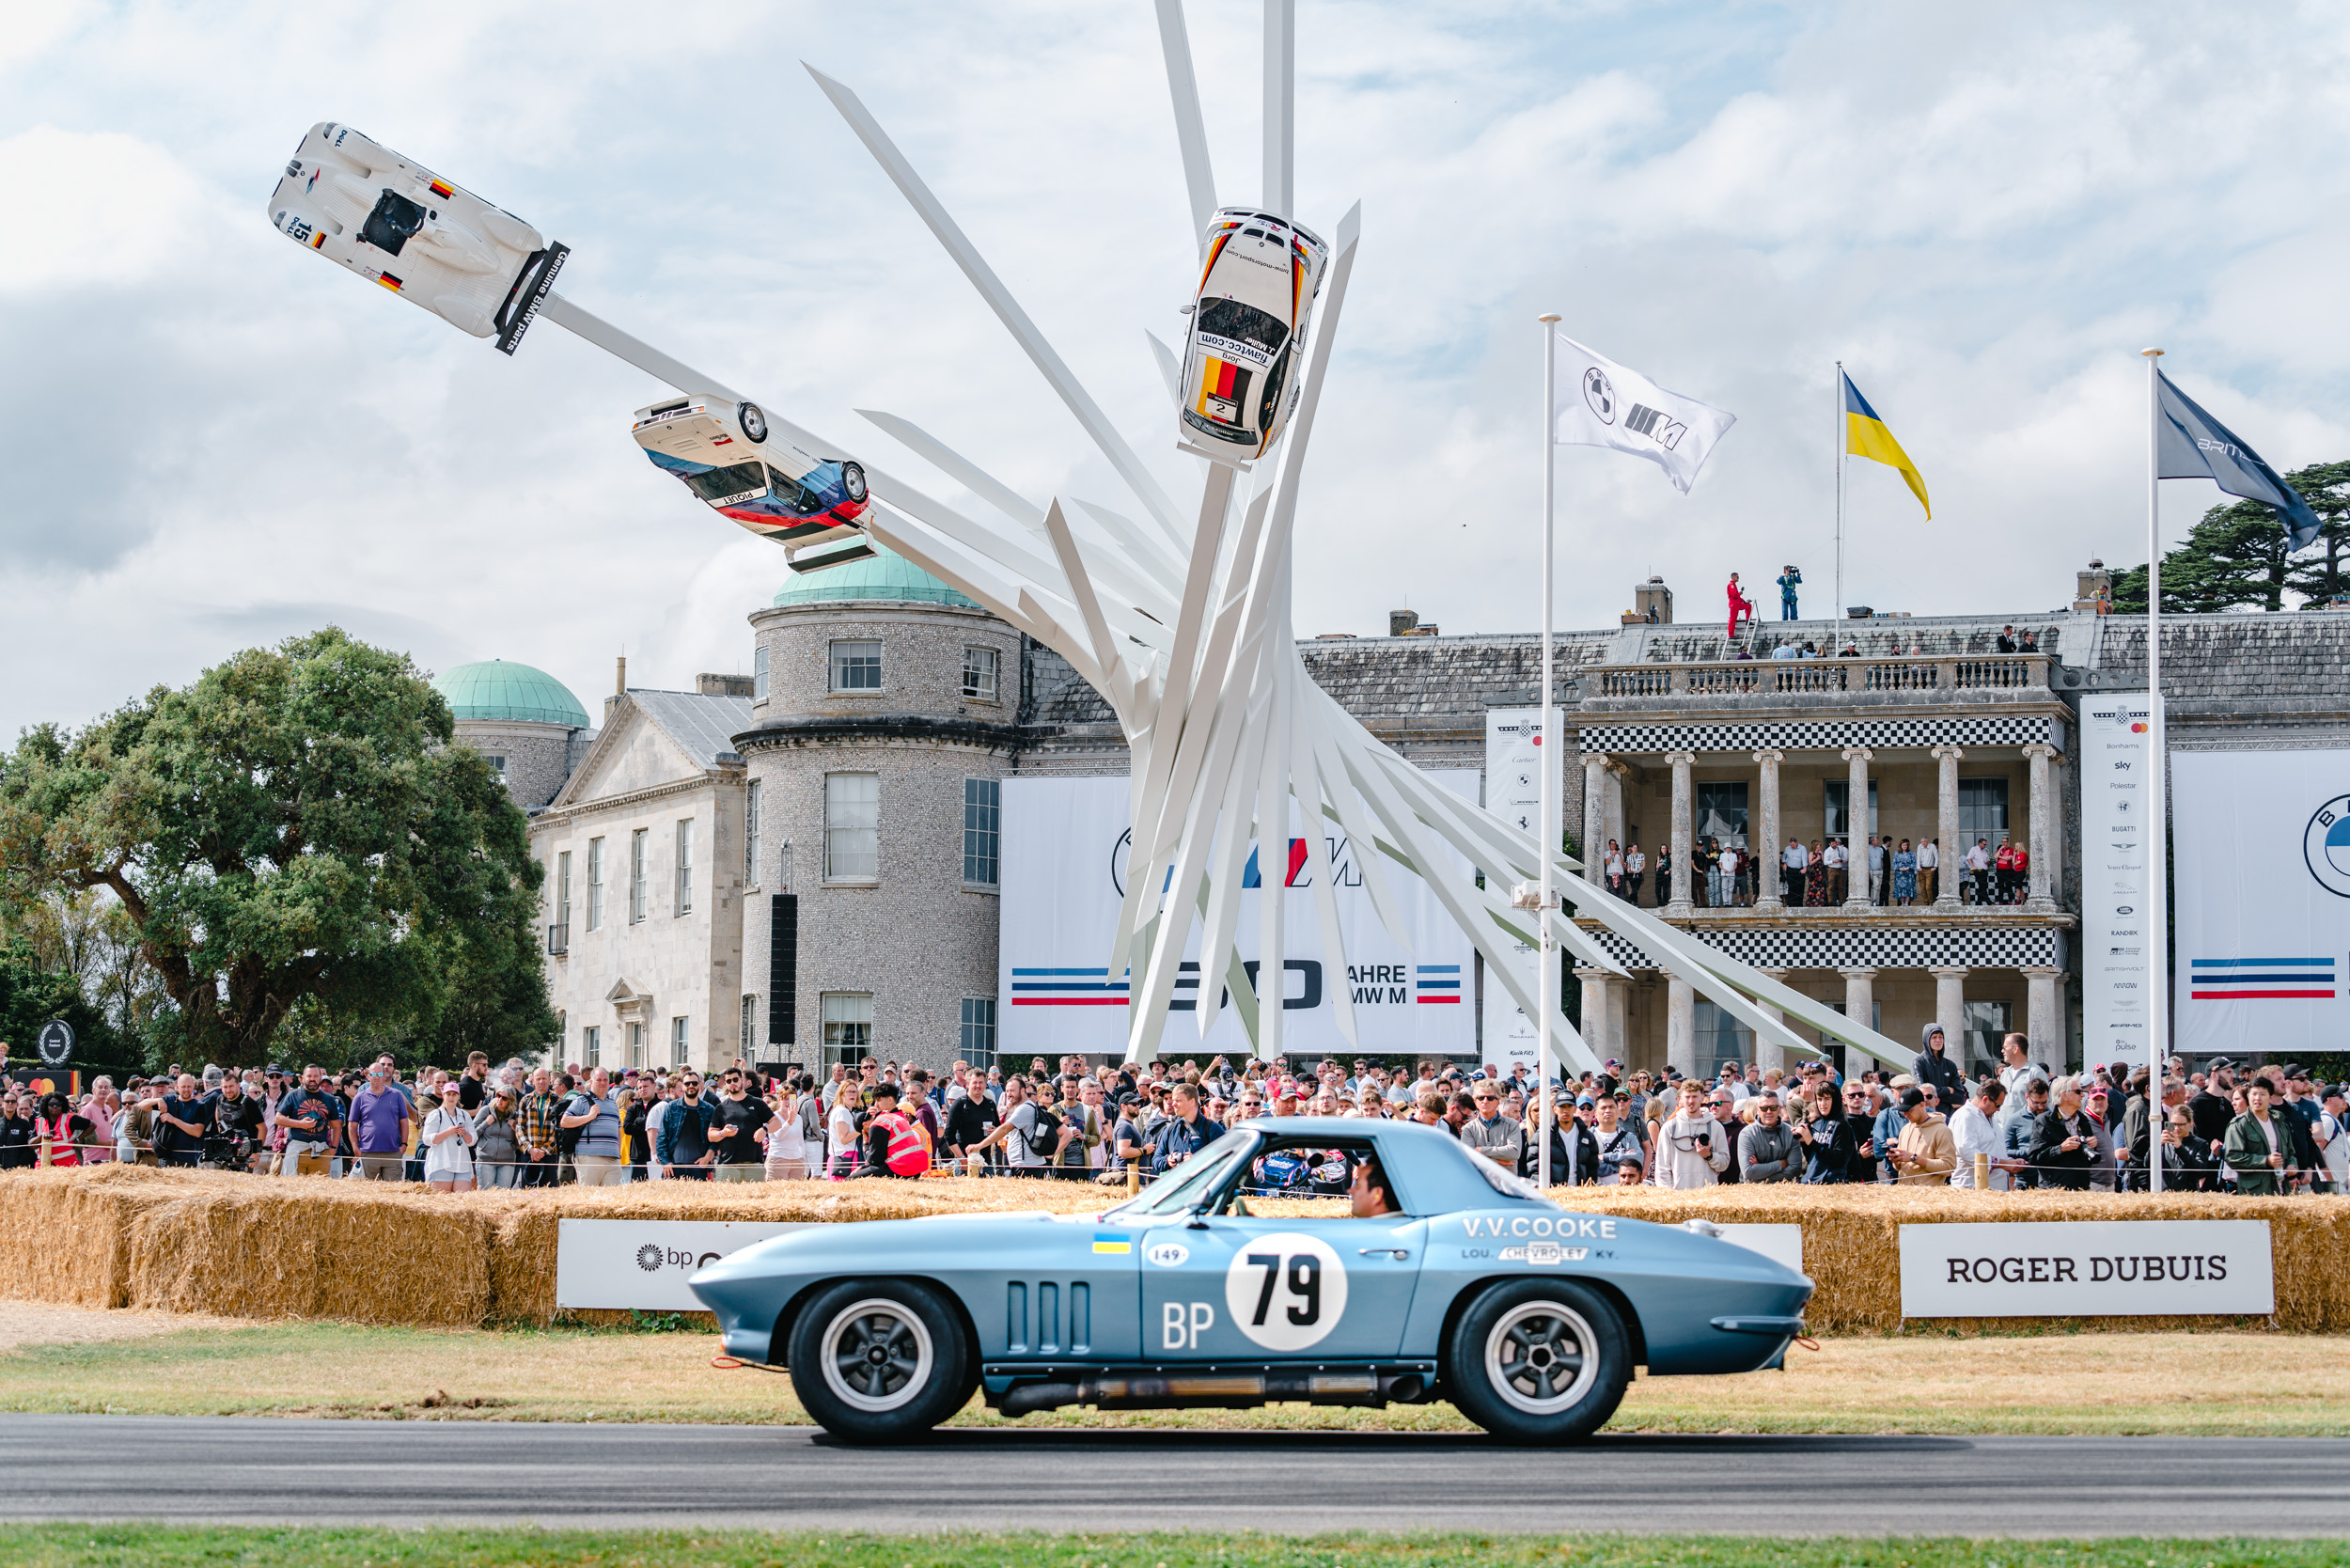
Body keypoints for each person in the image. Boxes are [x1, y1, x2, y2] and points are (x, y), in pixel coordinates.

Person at [1651, 1081, 1729, 1188]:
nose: (1691, 1101)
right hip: (1678, 1196)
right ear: (1680, 1099)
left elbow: (1724, 1164)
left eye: (1695, 1097)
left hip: (1707, 1197)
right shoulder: (1669, 1127)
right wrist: (1668, 1193)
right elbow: (1662, 1166)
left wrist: (1709, 1156)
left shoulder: (1716, 1127)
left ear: (1702, 1097)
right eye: (1687, 1097)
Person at [2222, 1081, 2293, 1196]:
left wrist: (2292, 1165)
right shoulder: (2239, 1124)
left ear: (2271, 1097)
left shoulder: (2280, 1122)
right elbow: (2233, 1158)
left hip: (2282, 1189)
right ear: (2248, 1096)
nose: (2257, 1098)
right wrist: (2265, 1160)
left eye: (2263, 1094)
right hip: (2254, 1192)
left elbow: (2291, 1153)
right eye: (2254, 1094)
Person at [561, 1069, 626, 1187]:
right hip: (589, 1158)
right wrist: (589, 1116)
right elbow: (565, 1121)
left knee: (612, 1199)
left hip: (613, 1159)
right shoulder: (581, 1100)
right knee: (589, 1198)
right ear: (591, 1082)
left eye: (605, 1080)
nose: (602, 1083)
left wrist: (618, 1154)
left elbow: (618, 1131)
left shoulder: (613, 1103)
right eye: (599, 1080)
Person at [2030, 1080, 2098, 1191]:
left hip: (2081, 1190)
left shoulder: (2083, 1120)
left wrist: (2092, 1147)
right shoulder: (2043, 1121)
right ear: (2064, 1095)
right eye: (2078, 1091)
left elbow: (2091, 1161)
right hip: (2055, 1192)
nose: (2083, 1095)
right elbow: (2034, 1158)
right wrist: (2061, 1148)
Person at [709, 1069, 773, 1183]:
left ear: (742, 1079)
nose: (732, 1083)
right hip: (728, 1165)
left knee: (756, 1199)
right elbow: (711, 1135)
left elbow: (776, 1122)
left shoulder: (757, 1103)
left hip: (753, 1165)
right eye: (728, 1081)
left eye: (735, 1079)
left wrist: (764, 1129)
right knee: (725, 1199)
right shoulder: (721, 1107)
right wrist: (723, 1133)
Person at [419, 1080, 478, 1192]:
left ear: (458, 1096)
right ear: (443, 1095)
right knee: (442, 1200)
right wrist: (448, 1132)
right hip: (441, 1163)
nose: (451, 1097)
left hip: (462, 1164)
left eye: (454, 1094)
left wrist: (464, 1133)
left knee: (462, 1199)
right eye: (448, 1094)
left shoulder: (464, 1115)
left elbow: (472, 1140)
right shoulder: (435, 1115)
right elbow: (427, 1139)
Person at [1888, 1089, 1956, 1184]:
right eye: (1903, 1111)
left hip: (1929, 1196)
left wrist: (1914, 1158)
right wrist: (1896, 1161)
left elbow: (1948, 1167)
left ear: (1922, 1105)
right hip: (1904, 1193)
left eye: (1909, 1110)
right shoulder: (1905, 1129)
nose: (1906, 1115)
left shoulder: (1942, 1130)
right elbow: (1900, 1168)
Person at [1459, 1083, 1523, 1168]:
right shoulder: (1468, 1128)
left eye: (1490, 1098)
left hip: (1505, 1180)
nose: (1485, 1101)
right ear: (1476, 1102)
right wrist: (1498, 1161)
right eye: (1481, 1098)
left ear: (1497, 1101)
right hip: (1479, 1180)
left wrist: (1482, 1150)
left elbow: (1514, 1153)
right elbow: (1468, 1159)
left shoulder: (1512, 1125)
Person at [1738, 1091, 1798, 1183]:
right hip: (1752, 1191)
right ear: (1757, 1110)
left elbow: (1795, 1170)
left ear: (1779, 1109)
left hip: (1784, 1189)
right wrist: (1780, 1164)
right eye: (1764, 1108)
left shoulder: (1791, 1133)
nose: (1769, 1112)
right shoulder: (1747, 1134)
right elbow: (1748, 1172)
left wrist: (1760, 1172)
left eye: (1773, 1108)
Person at [474, 1087, 523, 1188]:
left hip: (507, 1161)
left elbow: (520, 1145)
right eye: (498, 1095)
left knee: (503, 1196)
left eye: (504, 1098)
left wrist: (516, 1130)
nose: (500, 1100)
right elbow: (472, 1135)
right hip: (485, 1159)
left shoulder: (516, 1116)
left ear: (511, 1100)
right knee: (486, 1195)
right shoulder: (486, 1110)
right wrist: (485, 1124)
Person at [1726, 572, 1755, 639]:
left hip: (1737, 603)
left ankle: (1748, 620)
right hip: (1734, 605)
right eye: (1737, 577)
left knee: (1748, 606)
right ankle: (1731, 634)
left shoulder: (1733, 585)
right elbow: (1735, 595)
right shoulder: (1731, 584)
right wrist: (1740, 593)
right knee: (1733, 619)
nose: (1738, 578)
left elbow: (1737, 597)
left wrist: (1744, 601)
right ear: (1733, 577)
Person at [1965, 838, 1993, 905]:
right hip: (1978, 870)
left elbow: (1987, 860)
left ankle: (1978, 903)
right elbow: (1968, 858)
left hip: (1985, 870)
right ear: (1980, 843)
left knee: (1983, 886)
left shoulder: (1984, 851)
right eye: (1984, 844)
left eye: (1986, 845)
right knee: (1982, 886)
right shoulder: (1974, 849)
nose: (1985, 846)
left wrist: (1988, 862)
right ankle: (1989, 903)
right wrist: (1973, 866)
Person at [1781, 838, 1808, 905]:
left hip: (1799, 870)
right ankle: (1791, 904)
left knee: (1799, 887)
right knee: (1791, 887)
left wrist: (1805, 868)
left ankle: (1799, 904)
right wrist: (1784, 863)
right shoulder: (1787, 848)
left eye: (1793, 845)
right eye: (1790, 845)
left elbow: (1804, 858)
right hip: (1790, 869)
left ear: (1796, 843)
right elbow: (1783, 857)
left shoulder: (1802, 848)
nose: (1791, 846)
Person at [1917, 837, 1938, 904]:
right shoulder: (1920, 846)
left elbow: (1936, 856)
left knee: (1928, 887)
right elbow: (1918, 857)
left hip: (1930, 869)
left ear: (1927, 841)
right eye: (1922, 842)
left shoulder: (1932, 846)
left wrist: (1935, 866)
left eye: (1924, 842)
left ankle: (1931, 902)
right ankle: (1925, 902)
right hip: (1922, 869)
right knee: (1922, 888)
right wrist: (1918, 867)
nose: (1923, 843)